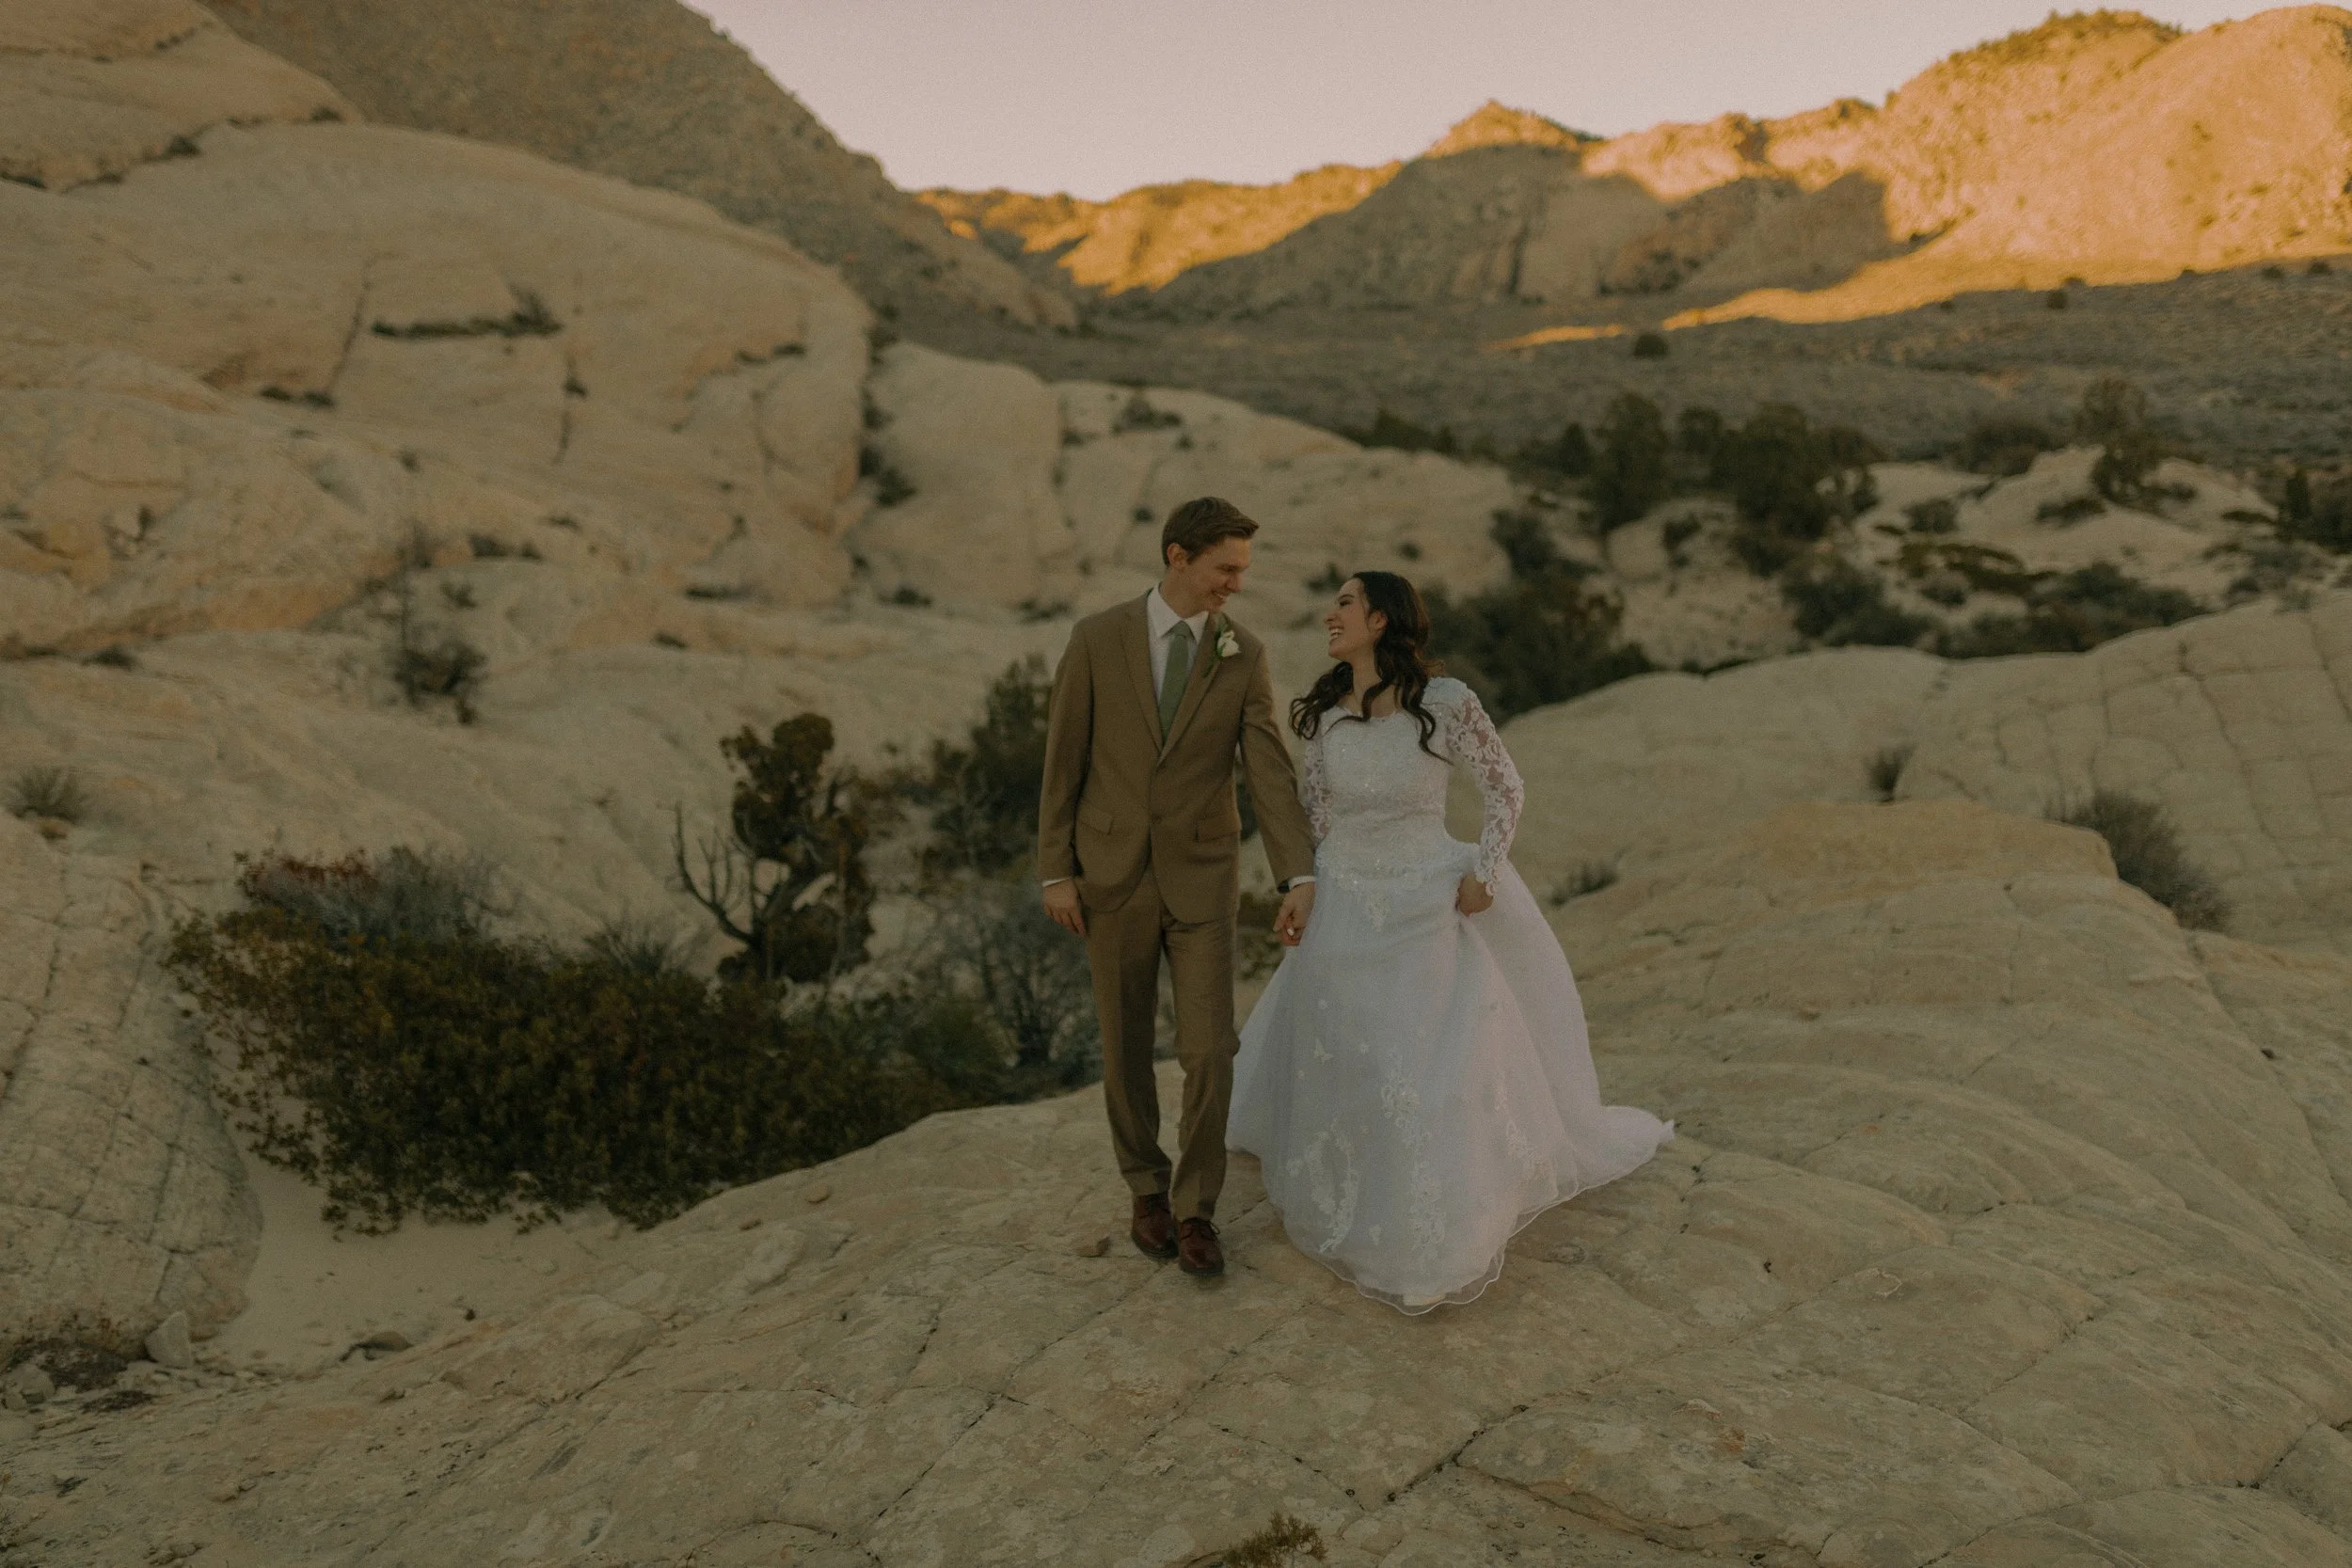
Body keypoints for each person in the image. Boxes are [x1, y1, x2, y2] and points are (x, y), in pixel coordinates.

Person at [1229, 570, 1673, 1313]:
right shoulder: (1327, 714)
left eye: (1344, 602)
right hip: (1346, 898)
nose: (1330, 614)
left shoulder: (1446, 701)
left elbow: (1507, 788)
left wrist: (1486, 870)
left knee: (1424, 1062)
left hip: (1426, 897)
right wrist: (1303, 888)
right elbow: (1316, 816)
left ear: (1381, 617)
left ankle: (1436, 1216)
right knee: (1354, 1052)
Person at [1037, 497, 1318, 1278]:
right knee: (1125, 1046)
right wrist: (1056, 869)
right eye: (1226, 568)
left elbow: (1266, 767)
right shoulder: (1097, 640)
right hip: (1109, 877)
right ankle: (1145, 1189)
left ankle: (1196, 1209)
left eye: (1243, 571)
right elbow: (1064, 760)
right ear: (1177, 557)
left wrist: (1298, 873)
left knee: (1210, 1049)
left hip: (1203, 879)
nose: (1236, 583)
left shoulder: (1242, 652)